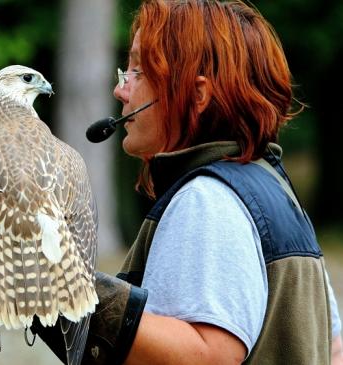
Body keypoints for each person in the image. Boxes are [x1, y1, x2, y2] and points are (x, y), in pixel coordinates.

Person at [34, 0, 343, 364]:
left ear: (198, 95)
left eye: (139, 71)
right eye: (125, 70)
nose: (121, 90)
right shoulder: (272, 187)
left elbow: (209, 355)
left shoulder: (208, 200)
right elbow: (333, 346)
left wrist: (51, 285)